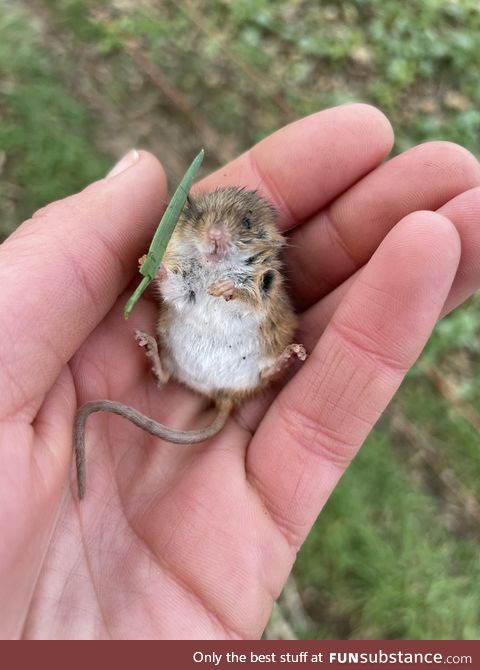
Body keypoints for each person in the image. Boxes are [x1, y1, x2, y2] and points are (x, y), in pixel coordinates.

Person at [1, 104, 479, 640]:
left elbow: (254, 308)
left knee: (275, 334)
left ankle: (267, 368)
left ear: (266, 243)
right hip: (185, 361)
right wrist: (159, 271)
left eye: (242, 226)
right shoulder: (192, 254)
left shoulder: (262, 281)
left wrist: (236, 295)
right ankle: (162, 368)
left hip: (238, 375)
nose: (217, 235)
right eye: (209, 220)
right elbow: (178, 295)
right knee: (170, 322)